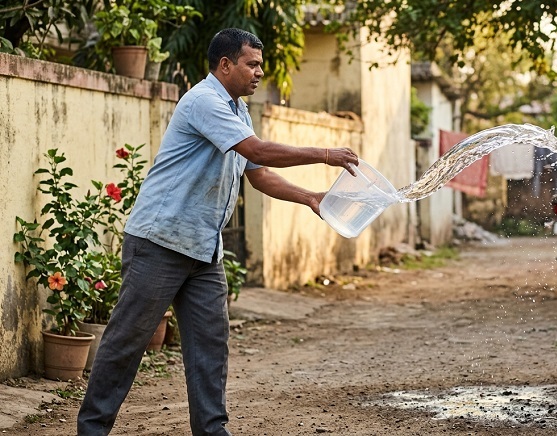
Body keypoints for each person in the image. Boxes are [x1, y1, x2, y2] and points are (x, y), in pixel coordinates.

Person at [77, 28, 359, 435]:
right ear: (225, 65)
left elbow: (258, 175)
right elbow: (258, 152)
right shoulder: (204, 101)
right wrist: (326, 153)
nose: (260, 72)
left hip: (204, 250)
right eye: (252, 64)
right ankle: (91, 430)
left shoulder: (237, 111)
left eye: (261, 64)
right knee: (126, 344)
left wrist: (311, 197)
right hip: (159, 242)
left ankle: (212, 431)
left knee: (210, 347)